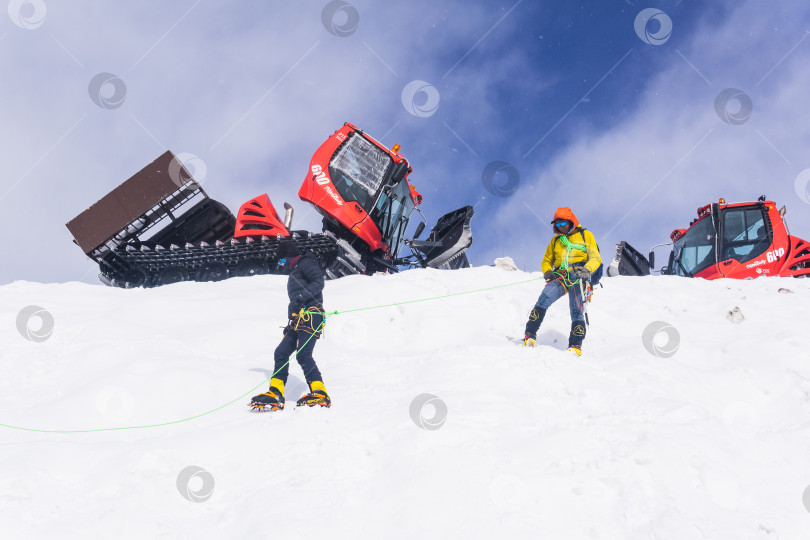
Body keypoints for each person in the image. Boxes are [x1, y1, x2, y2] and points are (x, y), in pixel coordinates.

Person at [251, 238, 330, 411]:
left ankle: (320, 392)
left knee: (303, 355)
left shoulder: (305, 262)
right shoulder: (295, 270)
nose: (281, 265)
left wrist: (301, 299)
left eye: (281, 260)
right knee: (281, 352)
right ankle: (276, 393)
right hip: (300, 319)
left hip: (312, 314)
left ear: (288, 256)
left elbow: (319, 282)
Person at [523, 207, 601, 356]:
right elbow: (547, 260)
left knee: (576, 309)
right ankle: (529, 334)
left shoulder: (585, 235)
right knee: (544, 298)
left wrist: (587, 270)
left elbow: (595, 257)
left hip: (579, 275)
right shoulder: (555, 241)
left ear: (571, 222)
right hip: (561, 275)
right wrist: (547, 271)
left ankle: (575, 345)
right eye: (557, 225)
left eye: (563, 223)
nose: (560, 227)